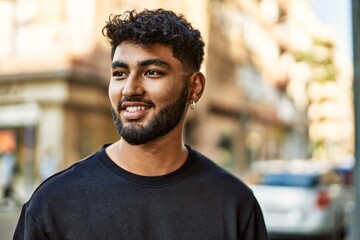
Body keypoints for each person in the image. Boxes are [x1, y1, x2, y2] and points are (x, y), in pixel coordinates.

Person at [14, 9, 268, 240]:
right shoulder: (52, 205)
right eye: (120, 74)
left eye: (152, 72)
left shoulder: (235, 205)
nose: (129, 89)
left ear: (195, 87)